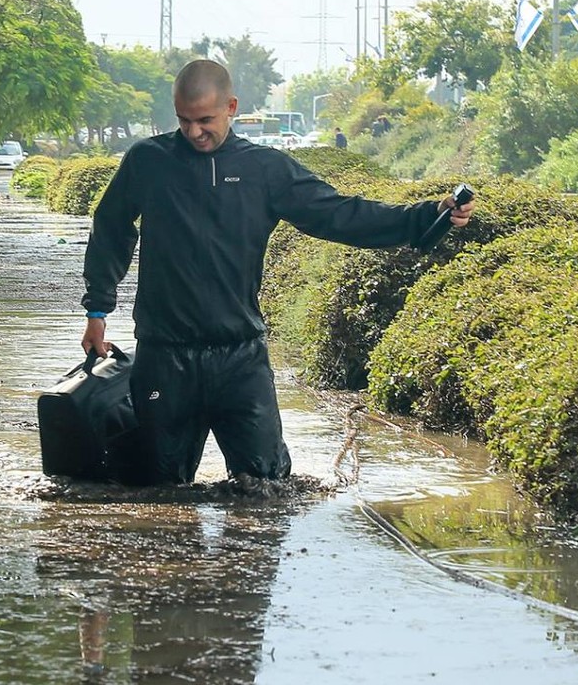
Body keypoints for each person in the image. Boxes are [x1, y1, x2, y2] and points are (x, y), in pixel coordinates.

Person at [80, 60, 472, 484]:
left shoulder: (264, 169)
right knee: (157, 494)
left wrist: (425, 217)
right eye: (184, 120)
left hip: (240, 359)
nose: (194, 132)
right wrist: (98, 311)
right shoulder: (148, 162)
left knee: (267, 488)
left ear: (231, 106)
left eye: (205, 120)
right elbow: (111, 229)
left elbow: (338, 214)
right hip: (163, 356)